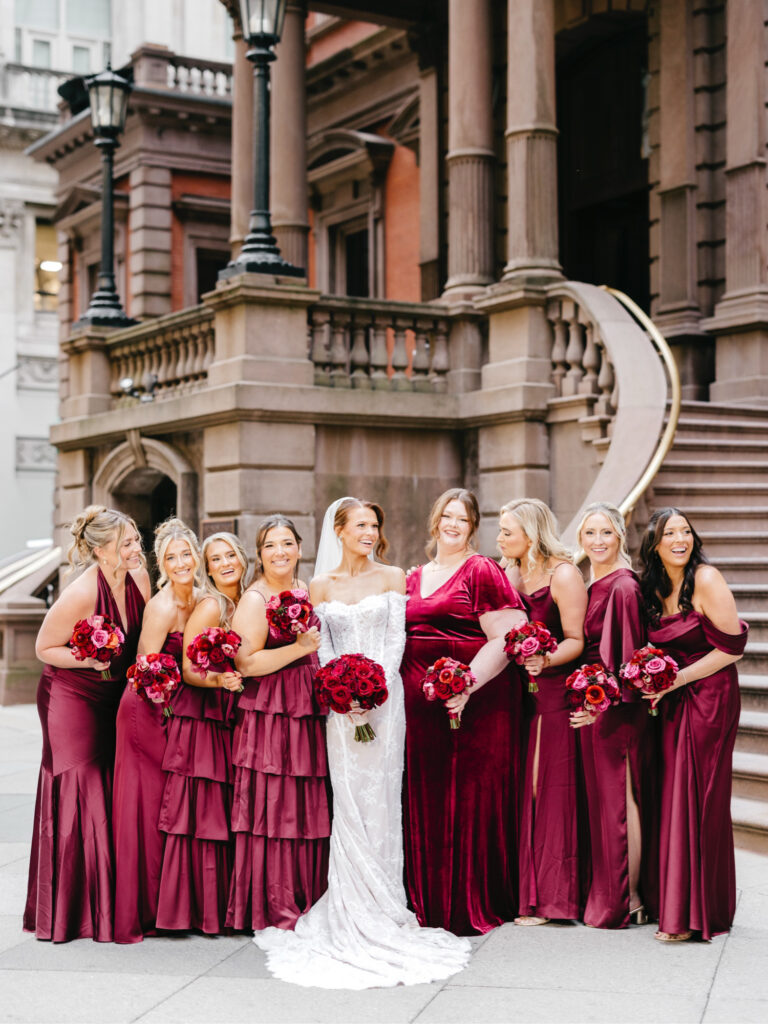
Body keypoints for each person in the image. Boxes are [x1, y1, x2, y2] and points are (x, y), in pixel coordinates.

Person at [253, 497, 470, 988]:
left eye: (376, 524)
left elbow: (396, 643)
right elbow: (322, 646)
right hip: (340, 710)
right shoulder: (320, 586)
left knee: (381, 802)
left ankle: (385, 905)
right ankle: (351, 903)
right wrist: (340, 693)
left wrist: (374, 690)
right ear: (341, 531)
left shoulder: (393, 576)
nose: (370, 532)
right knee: (349, 803)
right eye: (362, 526)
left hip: (386, 705)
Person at [402, 488, 528, 935]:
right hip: (419, 706)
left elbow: (508, 636)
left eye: (462, 519)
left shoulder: (481, 570)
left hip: (476, 701)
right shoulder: (415, 577)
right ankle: (425, 899)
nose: (452, 525)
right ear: (434, 521)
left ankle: (469, 902)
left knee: (469, 798)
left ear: (473, 528)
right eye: (446, 517)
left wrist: (467, 685)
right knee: (427, 797)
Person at [24, 506, 150, 942]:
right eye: (128, 543)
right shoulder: (80, 592)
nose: (137, 548)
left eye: (136, 539)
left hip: (111, 694)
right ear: (100, 550)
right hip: (69, 694)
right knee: (81, 782)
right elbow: (44, 647)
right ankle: (68, 913)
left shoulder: (140, 579)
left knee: (110, 785)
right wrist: (89, 657)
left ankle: (107, 901)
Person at [638, 508, 747, 942]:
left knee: (698, 796)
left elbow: (734, 648)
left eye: (685, 531)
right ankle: (674, 902)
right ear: (655, 543)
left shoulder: (706, 578)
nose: (680, 539)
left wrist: (676, 678)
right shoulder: (654, 586)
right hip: (670, 699)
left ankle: (697, 914)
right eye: (670, 533)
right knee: (672, 797)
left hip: (711, 696)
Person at [227, 515, 330, 931]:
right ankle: (274, 901)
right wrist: (299, 649)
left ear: (300, 548)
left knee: (304, 799)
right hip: (271, 708)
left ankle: (309, 894)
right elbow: (245, 663)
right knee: (275, 802)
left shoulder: (305, 589)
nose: (280, 552)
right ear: (260, 553)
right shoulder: (255, 599)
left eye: (287, 543)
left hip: (307, 704)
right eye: (270, 545)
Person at [113, 518, 203, 943]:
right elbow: (148, 667)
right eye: (172, 557)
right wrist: (168, 710)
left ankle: (170, 905)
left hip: (175, 708)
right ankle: (143, 911)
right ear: (162, 564)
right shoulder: (163, 605)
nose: (181, 562)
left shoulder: (203, 599)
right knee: (148, 809)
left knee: (167, 806)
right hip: (146, 708)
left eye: (187, 553)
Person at [498, 498, 587, 926]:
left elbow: (576, 638)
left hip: (551, 692)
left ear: (531, 534)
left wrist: (545, 659)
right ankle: (522, 891)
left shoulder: (564, 573)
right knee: (521, 788)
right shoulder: (510, 572)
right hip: (516, 694)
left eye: (507, 531)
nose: (499, 538)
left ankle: (551, 899)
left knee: (547, 789)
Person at [155, 532, 247, 934]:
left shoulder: (249, 600)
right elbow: (190, 669)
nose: (225, 563)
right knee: (201, 811)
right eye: (215, 559)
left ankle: (226, 903)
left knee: (224, 810)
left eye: (230, 555)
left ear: (242, 559)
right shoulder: (211, 605)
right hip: (203, 713)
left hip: (232, 713)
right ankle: (195, 911)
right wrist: (219, 682)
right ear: (207, 569)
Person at [572, 501, 658, 929]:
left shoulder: (622, 586)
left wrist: (598, 705)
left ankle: (630, 897)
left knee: (621, 802)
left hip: (614, 708)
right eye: (590, 533)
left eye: (606, 532)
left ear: (620, 537)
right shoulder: (594, 582)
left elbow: (625, 661)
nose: (598, 541)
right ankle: (616, 891)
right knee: (608, 804)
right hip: (596, 703)